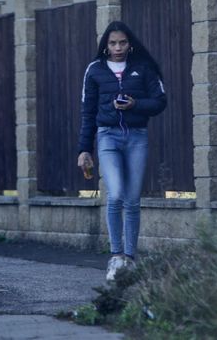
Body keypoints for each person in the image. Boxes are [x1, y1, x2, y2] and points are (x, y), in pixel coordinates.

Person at [77, 21, 167, 281]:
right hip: (107, 138)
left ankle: (130, 259)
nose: (117, 48)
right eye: (113, 43)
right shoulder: (94, 70)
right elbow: (88, 112)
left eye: (122, 43)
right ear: (105, 45)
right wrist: (84, 149)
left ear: (130, 44)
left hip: (137, 137)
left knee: (133, 199)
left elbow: (160, 102)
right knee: (115, 194)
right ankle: (115, 257)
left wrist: (135, 104)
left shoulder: (144, 67)